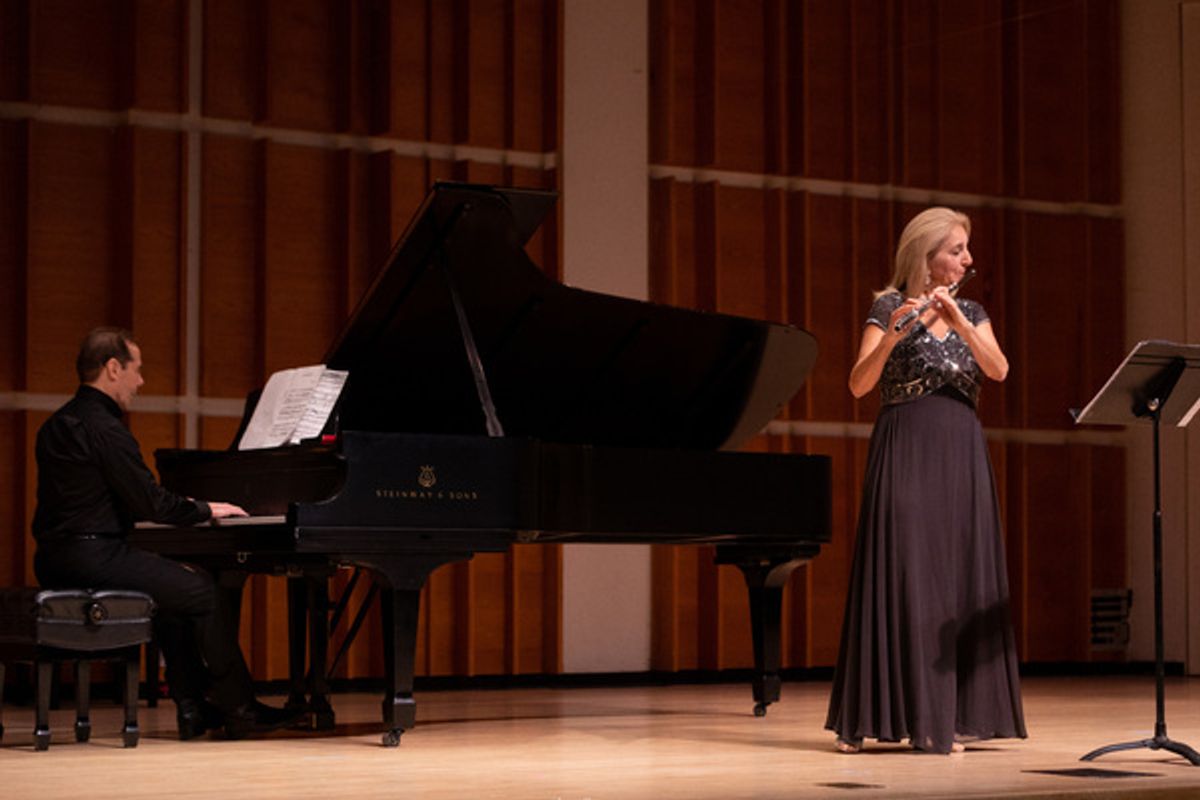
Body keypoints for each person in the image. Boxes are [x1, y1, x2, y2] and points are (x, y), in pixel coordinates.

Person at [32, 327, 301, 739]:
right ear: (113, 368)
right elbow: (151, 505)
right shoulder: (107, 429)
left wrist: (175, 507)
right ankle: (241, 709)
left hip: (54, 558)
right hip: (95, 557)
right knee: (202, 591)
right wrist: (206, 508)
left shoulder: (55, 425)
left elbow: (105, 499)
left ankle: (193, 710)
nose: (141, 382)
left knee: (173, 594)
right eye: (137, 370)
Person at [824, 208, 1026, 754]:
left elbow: (999, 370)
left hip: (960, 451)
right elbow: (859, 385)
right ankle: (873, 714)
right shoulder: (887, 307)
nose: (967, 259)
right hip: (907, 447)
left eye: (965, 250)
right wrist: (892, 337)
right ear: (926, 254)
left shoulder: (973, 312)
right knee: (903, 568)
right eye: (957, 250)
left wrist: (960, 323)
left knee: (957, 574)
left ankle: (946, 717)